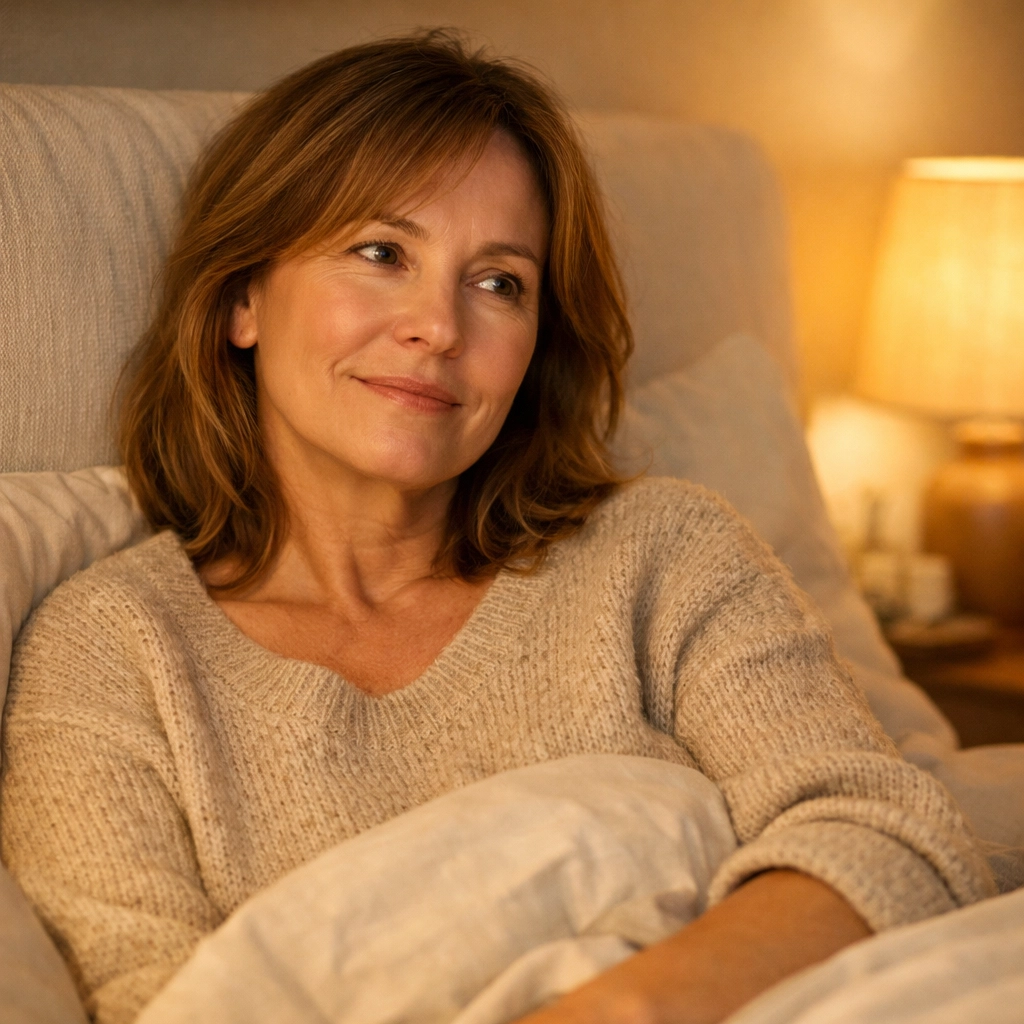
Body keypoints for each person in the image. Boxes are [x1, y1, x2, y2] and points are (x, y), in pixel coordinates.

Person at [0, 30, 994, 1024]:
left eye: (498, 281)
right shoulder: (112, 651)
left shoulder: (665, 553)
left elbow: (891, 832)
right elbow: (162, 1003)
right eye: (382, 252)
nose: (439, 326)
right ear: (242, 298)